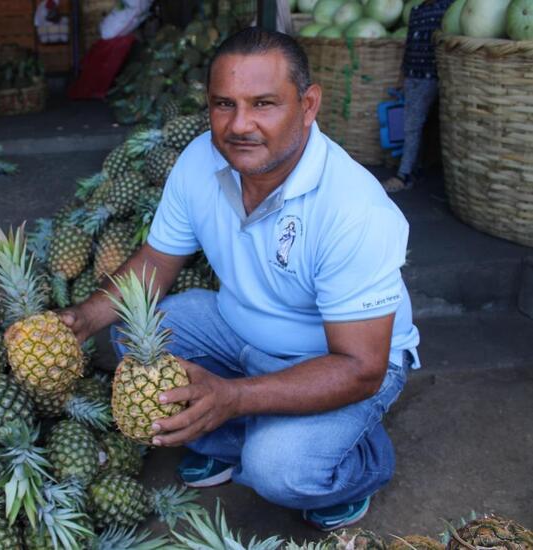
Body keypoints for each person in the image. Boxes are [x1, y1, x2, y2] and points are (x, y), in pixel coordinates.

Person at [61, 27, 420, 531]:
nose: (239, 125)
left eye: (264, 103)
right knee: (131, 332)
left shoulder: (354, 208)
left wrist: (234, 396)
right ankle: (234, 439)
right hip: (237, 326)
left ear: (309, 104)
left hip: (338, 361)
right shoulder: (199, 162)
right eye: (223, 104)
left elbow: (361, 366)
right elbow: (156, 261)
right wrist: (83, 316)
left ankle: (359, 460)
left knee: (280, 471)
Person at [381, 0, 455, 193]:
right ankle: (408, 172)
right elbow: (409, 46)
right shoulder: (416, 11)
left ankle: (407, 173)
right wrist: (402, 76)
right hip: (415, 76)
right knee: (413, 125)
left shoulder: (448, 8)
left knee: (420, 126)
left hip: (436, 76)